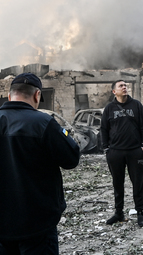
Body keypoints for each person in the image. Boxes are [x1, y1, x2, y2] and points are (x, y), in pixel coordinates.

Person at [0, 73, 80, 254]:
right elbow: (71, 159)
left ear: (10, 95)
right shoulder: (44, 123)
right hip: (37, 225)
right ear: (37, 95)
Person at [101, 80, 143, 227]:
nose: (124, 87)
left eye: (125, 86)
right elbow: (103, 129)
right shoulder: (109, 108)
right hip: (115, 152)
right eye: (121, 86)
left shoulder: (136, 105)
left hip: (135, 151)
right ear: (114, 91)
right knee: (117, 183)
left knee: (138, 183)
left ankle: (140, 212)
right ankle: (118, 213)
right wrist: (106, 149)